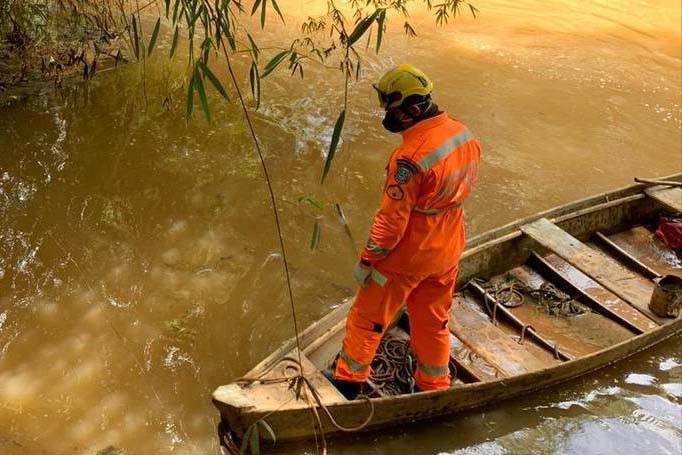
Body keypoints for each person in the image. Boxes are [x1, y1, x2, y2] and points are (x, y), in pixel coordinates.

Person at [329, 64, 481, 399]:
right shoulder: (464, 134)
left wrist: (368, 260)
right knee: (433, 322)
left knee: (367, 319)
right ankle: (435, 385)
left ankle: (347, 385)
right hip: (449, 246)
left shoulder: (409, 159)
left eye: (392, 110)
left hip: (408, 255)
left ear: (412, 109)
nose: (388, 116)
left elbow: (391, 222)